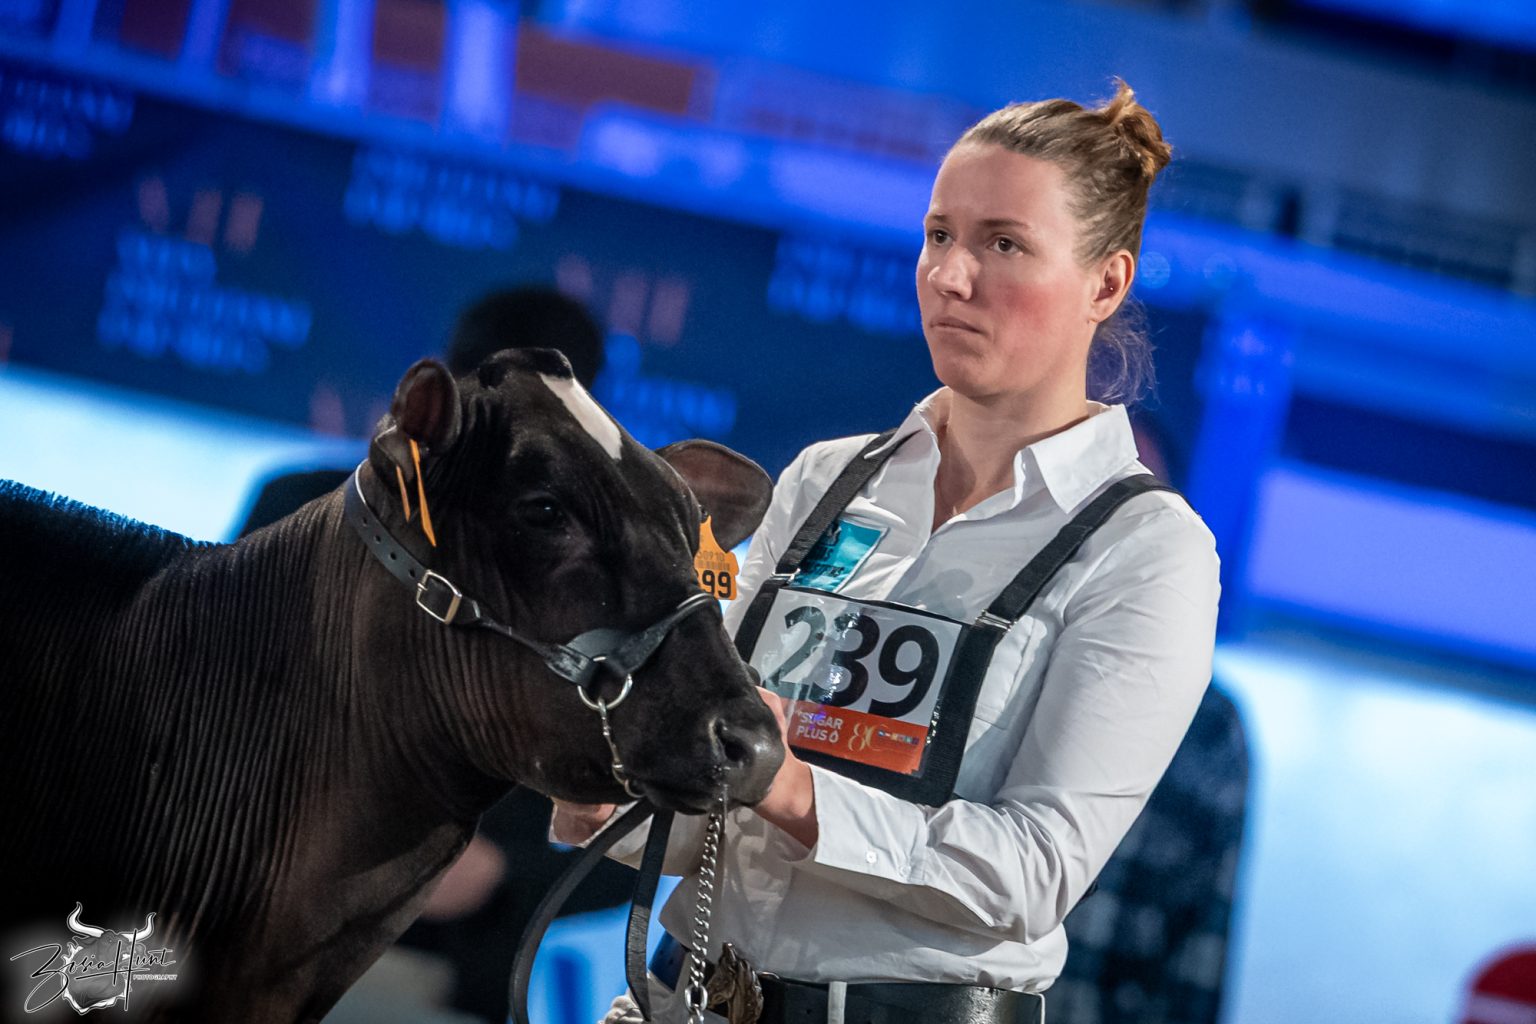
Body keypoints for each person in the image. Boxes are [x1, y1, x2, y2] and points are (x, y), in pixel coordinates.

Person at [553, 79, 1222, 1024]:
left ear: (1106, 284)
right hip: (687, 995)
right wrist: (605, 791)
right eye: (940, 235)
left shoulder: (1148, 552)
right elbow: (716, 786)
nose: (950, 276)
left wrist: (793, 790)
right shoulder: (827, 478)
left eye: (1004, 244)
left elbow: (1036, 869)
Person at [240, 286, 633, 1024]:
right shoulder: (298, 512)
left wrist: (502, 872)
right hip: (245, 917)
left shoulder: (602, 586)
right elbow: (197, 698)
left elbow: (638, 827)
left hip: (440, 975)